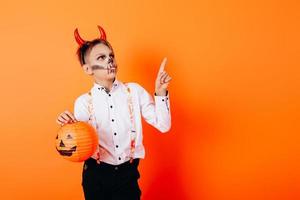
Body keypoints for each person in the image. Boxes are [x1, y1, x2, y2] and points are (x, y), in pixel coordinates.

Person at [56, 25, 172, 200]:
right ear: (88, 69)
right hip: (96, 176)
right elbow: (78, 146)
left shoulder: (134, 91)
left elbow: (163, 126)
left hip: (128, 176)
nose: (109, 61)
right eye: (101, 58)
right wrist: (68, 127)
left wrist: (160, 92)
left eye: (111, 56)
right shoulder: (83, 102)